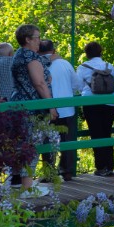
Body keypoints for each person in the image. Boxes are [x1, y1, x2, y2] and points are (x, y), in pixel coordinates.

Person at [10, 24, 57, 198]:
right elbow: (40, 83)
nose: (40, 41)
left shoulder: (19, 55)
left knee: (23, 144)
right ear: (27, 39)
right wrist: (51, 106)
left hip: (20, 105)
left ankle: (21, 183)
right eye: (37, 37)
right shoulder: (29, 56)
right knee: (31, 145)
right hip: (32, 107)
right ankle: (27, 187)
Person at [38, 40, 84, 181]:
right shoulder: (64, 64)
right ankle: (67, 171)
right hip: (67, 108)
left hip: (46, 109)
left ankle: (49, 172)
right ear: (54, 50)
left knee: (47, 141)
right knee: (67, 141)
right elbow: (78, 85)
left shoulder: (37, 64)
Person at [77, 41, 114, 177]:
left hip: (91, 103)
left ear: (87, 54)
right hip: (111, 102)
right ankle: (110, 165)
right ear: (101, 52)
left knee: (96, 133)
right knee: (107, 132)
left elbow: (78, 86)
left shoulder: (83, 67)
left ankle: (101, 167)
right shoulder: (109, 66)